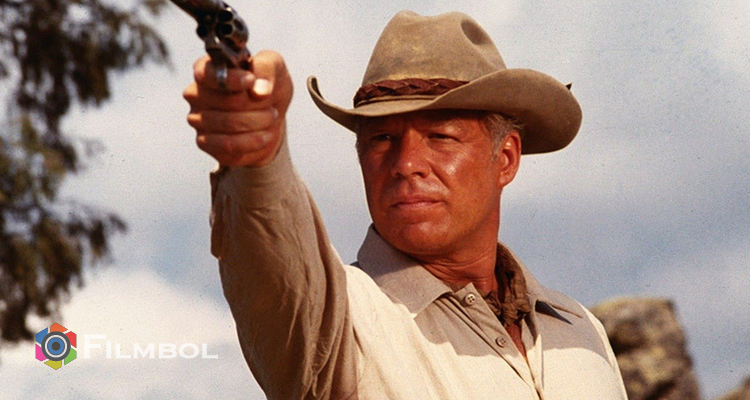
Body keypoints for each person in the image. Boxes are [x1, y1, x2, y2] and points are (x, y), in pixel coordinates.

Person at [183, 10, 627, 399]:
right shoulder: (340, 322)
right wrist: (258, 156)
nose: (406, 163)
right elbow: (274, 265)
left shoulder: (581, 329)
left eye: (440, 136)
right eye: (381, 138)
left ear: (506, 158)